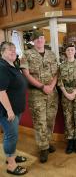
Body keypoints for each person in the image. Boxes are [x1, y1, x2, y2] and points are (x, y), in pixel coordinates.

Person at [20, 30, 58, 163]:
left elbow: (56, 73)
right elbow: (26, 74)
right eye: (37, 39)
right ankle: (43, 148)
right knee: (40, 121)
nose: (40, 40)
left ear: (44, 39)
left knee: (49, 120)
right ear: (33, 41)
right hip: (36, 93)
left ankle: (47, 142)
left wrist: (51, 87)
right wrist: (42, 87)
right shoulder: (27, 54)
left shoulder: (51, 54)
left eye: (41, 38)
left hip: (52, 93)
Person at [0, 42, 27, 175]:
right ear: (2, 52)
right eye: (9, 50)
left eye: (14, 49)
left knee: (12, 135)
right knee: (11, 136)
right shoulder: (2, 67)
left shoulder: (13, 65)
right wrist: (9, 110)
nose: (13, 51)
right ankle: (11, 165)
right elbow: (1, 91)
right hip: (7, 111)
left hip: (16, 108)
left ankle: (11, 156)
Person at [57, 44, 76, 154]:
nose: (70, 51)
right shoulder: (61, 66)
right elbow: (60, 81)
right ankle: (70, 141)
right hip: (65, 95)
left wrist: (74, 92)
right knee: (68, 118)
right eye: (68, 50)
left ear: (75, 51)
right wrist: (66, 93)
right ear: (65, 52)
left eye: (72, 50)